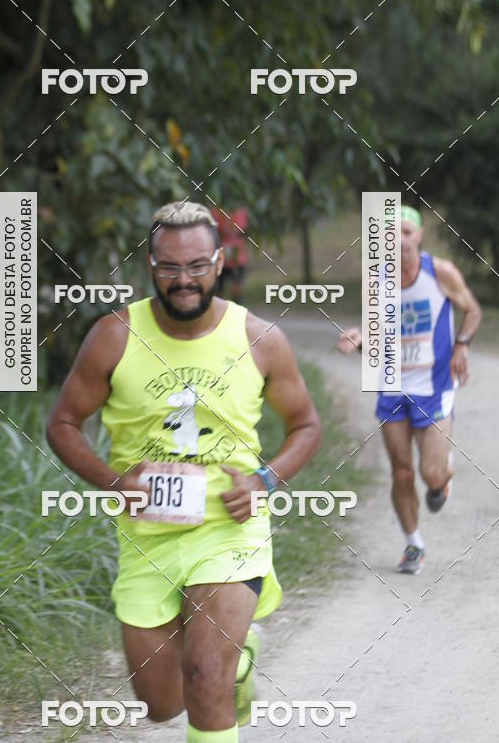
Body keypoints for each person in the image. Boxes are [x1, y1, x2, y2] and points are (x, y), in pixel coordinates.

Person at [46, 201, 322, 742]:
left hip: (229, 530)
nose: (184, 280)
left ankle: (225, 669)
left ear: (219, 262)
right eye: (170, 267)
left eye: (197, 265)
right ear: (150, 266)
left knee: (205, 680)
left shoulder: (260, 340)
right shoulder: (114, 336)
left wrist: (264, 482)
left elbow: (306, 426)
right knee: (161, 703)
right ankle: (240, 664)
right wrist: (112, 482)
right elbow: (63, 423)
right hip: (148, 538)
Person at [338, 205, 481, 575]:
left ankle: (441, 474)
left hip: (433, 387)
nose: (398, 240)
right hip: (392, 388)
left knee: (431, 476)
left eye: (405, 232)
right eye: (391, 234)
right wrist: (358, 339)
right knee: (401, 472)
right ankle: (413, 544)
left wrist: (462, 344)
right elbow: (376, 334)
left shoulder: (441, 273)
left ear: (418, 236)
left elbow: (473, 310)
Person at [210, 207, 248, 303]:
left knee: (236, 288)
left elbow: (242, 229)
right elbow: (213, 229)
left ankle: (237, 310)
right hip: (221, 258)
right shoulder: (215, 211)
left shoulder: (239, 211)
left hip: (237, 259)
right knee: (219, 291)